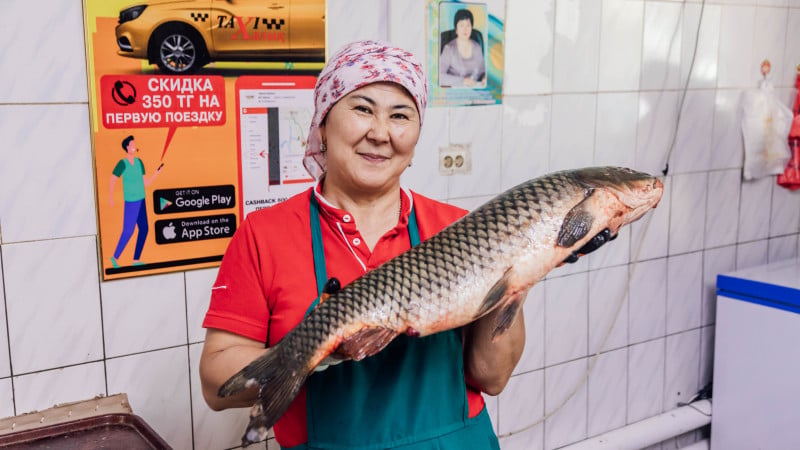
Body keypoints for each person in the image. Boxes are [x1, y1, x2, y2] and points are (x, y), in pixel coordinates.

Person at [199, 40, 524, 449]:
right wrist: (323, 347)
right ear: (322, 123)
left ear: (416, 135)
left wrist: (521, 270)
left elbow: (491, 377)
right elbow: (215, 383)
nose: (380, 133)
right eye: (362, 109)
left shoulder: (459, 229)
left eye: (401, 115)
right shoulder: (264, 235)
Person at [108, 135, 162, 268]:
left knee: (144, 229)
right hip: (131, 202)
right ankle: (115, 257)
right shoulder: (123, 163)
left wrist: (157, 172)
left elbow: (146, 183)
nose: (135, 146)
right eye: (132, 144)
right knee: (128, 230)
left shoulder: (139, 162)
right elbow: (113, 179)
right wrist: (110, 197)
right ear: (127, 147)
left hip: (141, 199)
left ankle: (136, 260)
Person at [439, 9, 486, 88]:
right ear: (456, 29)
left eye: (468, 25)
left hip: (474, 90)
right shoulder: (449, 49)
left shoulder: (477, 47)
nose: (465, 29)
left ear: (471, 28)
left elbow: (482, 72)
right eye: (461, 25)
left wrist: (485, 77)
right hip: (454, 92)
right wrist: (463, 80)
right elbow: (440, 76)